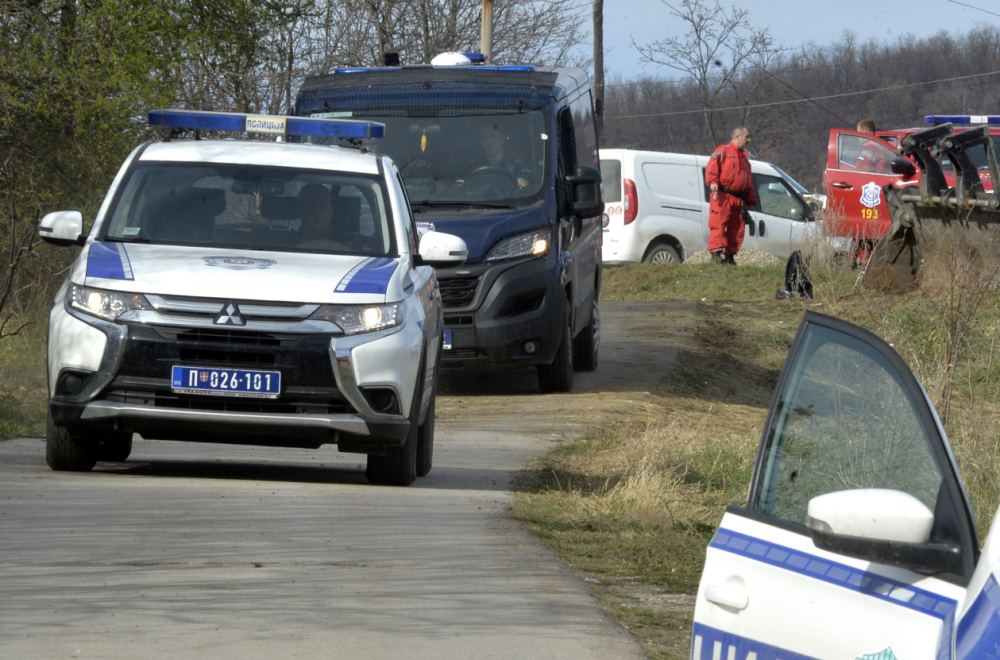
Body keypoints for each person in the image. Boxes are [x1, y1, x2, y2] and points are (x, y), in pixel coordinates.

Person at [705, 127, 757, 265]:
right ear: (738, 137)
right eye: (747, 137)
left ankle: (729, 257)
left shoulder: (745, 159)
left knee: (737, 228)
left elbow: (748, 181)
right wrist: (712, 181)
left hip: (738, 199)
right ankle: (716, 255)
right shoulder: (723, 151)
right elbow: (711, 167)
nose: (749, 140)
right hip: (723, 196)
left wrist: (751, 199)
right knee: (718, 224)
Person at [458, 122, 532, 190]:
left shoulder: (517, 162)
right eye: (484, 137)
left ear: (502, 138)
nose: (488, 141)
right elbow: (460, 183)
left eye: (493, 136)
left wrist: (520, 184)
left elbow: (524, 183)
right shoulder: (472, 163)